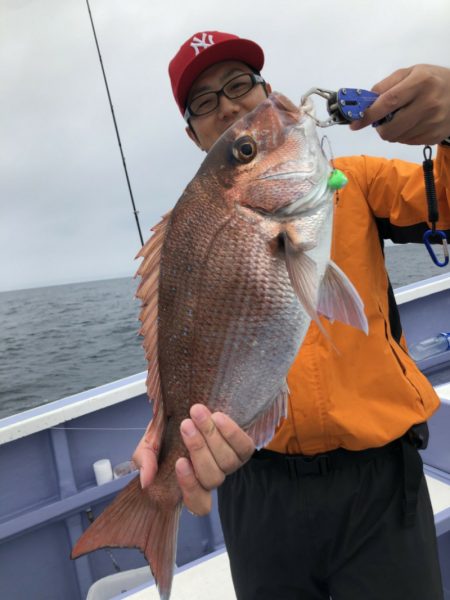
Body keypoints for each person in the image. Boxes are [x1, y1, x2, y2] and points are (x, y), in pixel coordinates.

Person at [133, 31, 450, 599]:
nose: (229, 105)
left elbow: (443, 200)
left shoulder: (355, 182)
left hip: (379, 482)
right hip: (256, 490)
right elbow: (181, 351)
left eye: (238, 85)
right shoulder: (189, 239)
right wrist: (169, 432)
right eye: (205, 102)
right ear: (192, 134)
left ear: (268, 91)